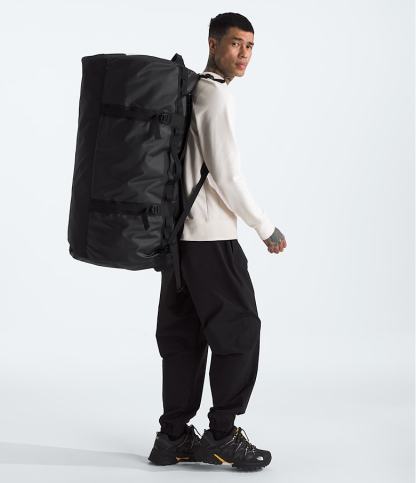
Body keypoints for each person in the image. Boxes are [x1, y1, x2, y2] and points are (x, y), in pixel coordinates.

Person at [148, 12, 286, 470]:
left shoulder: (190, 90)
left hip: (177, 241)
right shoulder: (216, 94)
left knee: (183, 338)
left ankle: (172, 438)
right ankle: (222, 435)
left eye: (250, 46)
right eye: (235, 44)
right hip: (210, 238)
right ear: (213, 44)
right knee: (240, 331)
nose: (244, 54)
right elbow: (227, 175)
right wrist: (264, 227)